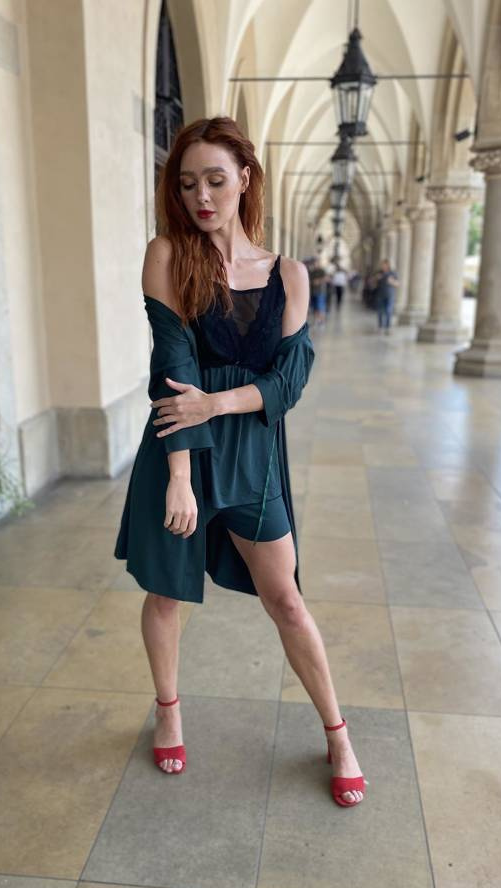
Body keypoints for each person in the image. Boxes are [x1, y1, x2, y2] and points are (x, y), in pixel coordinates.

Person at [115, 116, 366, 808]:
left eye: (216, 180)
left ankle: (338, 733)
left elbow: (289, 383)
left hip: (254, 458)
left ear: (245, 180)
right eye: (187, 183)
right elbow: (173, 366)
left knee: (286, 599)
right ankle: (168, 709)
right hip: (181, 452)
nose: (201, 196)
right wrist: (179, 477)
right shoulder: (168, 255)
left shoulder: (290, 275)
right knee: (166, 594)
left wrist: (218, 404)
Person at [374, 258, 399, 332]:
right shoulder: (379, 273)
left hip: (390, 295)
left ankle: (388, 327)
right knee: (380, 311)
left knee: (389, 311)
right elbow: (373, 283)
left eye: (384, 265)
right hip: (380, 295)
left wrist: (391, 281)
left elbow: (397, 284)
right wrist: (376, 279)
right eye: (382, 265)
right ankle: (380, 326)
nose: (383, 266)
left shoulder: (393, 273)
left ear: (388, 265)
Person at [309, 256, 328, 327]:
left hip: (320, 291)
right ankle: (316, 320)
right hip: (313, 291)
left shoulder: (322, 271)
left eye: (315, 262)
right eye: (313, 263)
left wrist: (318, 281)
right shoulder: (312, 272)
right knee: (314, 307)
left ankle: (322, 321)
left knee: (320, 306)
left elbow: (326, 279)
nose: (314, 264)